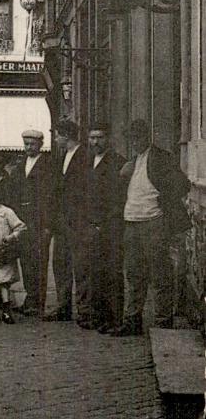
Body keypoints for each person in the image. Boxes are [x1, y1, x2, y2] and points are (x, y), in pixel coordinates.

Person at [112, 119, 190, 337]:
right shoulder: (131, 162)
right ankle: (132, 321)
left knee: (160, 273)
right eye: (132, 138)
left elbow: (182, 185)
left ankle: (163, 321)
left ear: (147, 137)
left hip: (154, 223)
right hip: (132, 223)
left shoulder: (161, 158)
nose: (135, 141)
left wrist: (162, 204)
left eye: (139, 137)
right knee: (134, 275)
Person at [47, 118, 91, 326]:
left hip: (79, 221)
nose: (55, 139)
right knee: (60, 264)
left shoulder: (85, 156)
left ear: (66, 136)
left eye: (57, 135)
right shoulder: (62, 156)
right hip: (62, 222)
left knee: (81, 266)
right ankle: (63, 307)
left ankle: (84, 310)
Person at [4, 129, 52, 317]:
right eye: (26, 144)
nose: (29, 147)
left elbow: (50, 196)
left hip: (38, 220)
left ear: (40, 144)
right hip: (22, 219)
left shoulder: (47, 165)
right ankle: (30, 298)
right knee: (26, 260)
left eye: (32, 144)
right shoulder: (20, 165)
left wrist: (48, 224)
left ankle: (38, 300)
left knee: (39, 260)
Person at [86, 124, 125, 333]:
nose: (95, 142)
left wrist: (106, 222)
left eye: (99, 137)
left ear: (108, 138)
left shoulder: (117, 163)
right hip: (92, 227)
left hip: (110, 228)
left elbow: (119, 199)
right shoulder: (88, 162)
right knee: (95, 274)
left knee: (112, 274)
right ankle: (99, 317)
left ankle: (115, 319)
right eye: (92, 138)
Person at [0, 181, 26, 324]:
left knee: (3, 281)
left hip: (2, 250)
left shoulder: (6, 212)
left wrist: (11, 237)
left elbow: (20, 227)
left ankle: (6, 310)